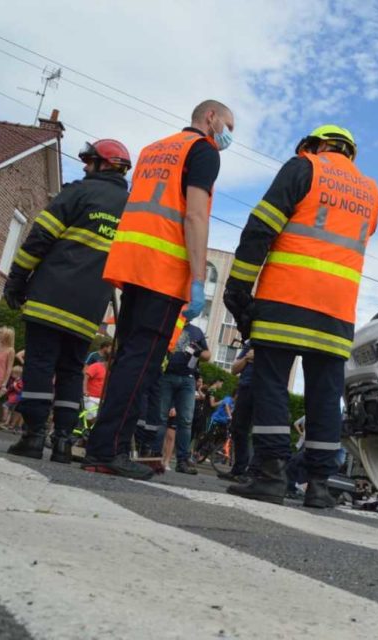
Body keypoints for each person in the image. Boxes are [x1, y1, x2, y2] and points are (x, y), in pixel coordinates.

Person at [223, 125, 378, 508]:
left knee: (272, 384)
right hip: (337, 310)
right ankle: (319, 486)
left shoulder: (303, 167)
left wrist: (239, 287)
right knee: (325, 396)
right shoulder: (370, 192)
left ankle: (271, 474)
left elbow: (261, 228)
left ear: (315, 145)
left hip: (287, 298)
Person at [83, 99, 234, 479]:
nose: (228, 134)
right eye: (228, 125)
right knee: (143, 363)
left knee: (125, 359)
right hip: (163, 269)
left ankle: (103, 445)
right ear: (211, 118)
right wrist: (199, 278)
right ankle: (109, 451)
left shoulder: (155, 149)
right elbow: (195, 214)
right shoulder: (203, 151)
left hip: (132, 261)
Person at [4, 139, 132, 463]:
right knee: (72, 371)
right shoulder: (132, 209)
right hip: (89, 308)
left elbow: (40, 237)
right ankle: (62, 441)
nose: (85, 168)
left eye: (89, 162)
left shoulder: (78, 192)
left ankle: (32, 436)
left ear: (102, 164)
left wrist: (17, 279)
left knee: (40, 363)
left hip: (51, 296)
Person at [151, 318, 211, 474]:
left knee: (185, 420)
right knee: (161, 417)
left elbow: (207, 355)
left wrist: (199, 351)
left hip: (188, 377)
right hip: (167, 374)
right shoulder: (169, 323)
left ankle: (182, 460)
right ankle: (155, 456)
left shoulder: (196, 331)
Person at [218, 342, 254, 481]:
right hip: (245, 387)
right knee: (238, 428)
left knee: (259, 432)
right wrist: (246, 358)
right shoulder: (250, 343)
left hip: (264, 389)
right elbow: (234, 369)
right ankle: (238, 469)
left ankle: (253, 472)